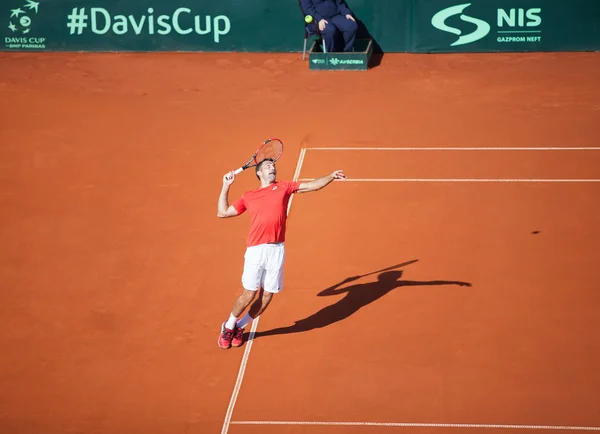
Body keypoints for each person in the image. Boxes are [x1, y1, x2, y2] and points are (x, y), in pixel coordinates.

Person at [216, 158, 346, 349]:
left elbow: (312, 186)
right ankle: (228, 326)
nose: (273, 168)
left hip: (276, 250)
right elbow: (223, 212)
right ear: (259, 172)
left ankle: (240, 327)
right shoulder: (249, 196)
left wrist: (331, 176)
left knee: (267, 295)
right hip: (256, 250)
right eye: (268, 166)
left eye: (274, 166)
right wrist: (226, 185)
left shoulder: (284, 187)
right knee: (249, 294)